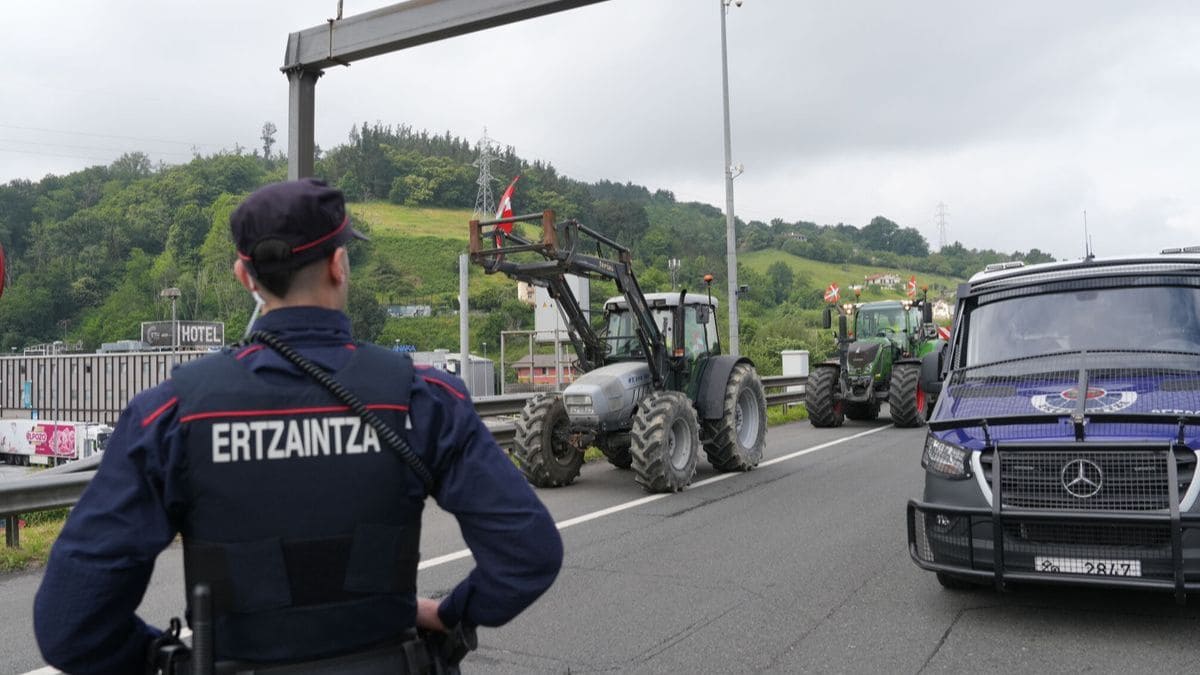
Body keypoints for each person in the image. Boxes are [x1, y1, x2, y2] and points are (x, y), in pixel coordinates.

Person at [33, 178, 563, 673]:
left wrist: (168, 658)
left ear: (246, 279)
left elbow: (70, 624)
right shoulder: (424, 399)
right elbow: (529, 554)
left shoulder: (171, 414)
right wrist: (450, 615)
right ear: (339, 264)